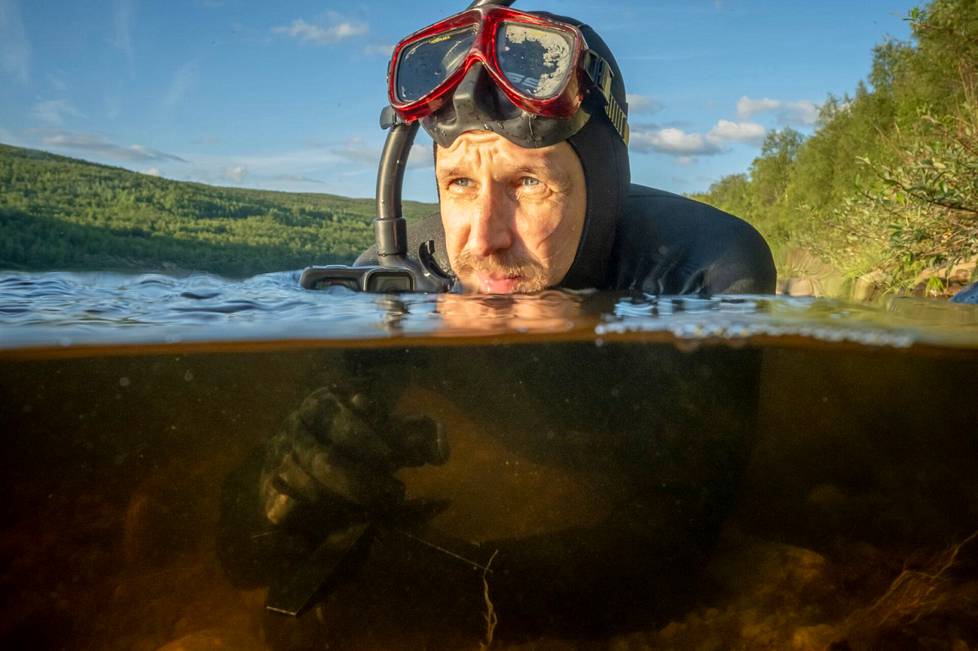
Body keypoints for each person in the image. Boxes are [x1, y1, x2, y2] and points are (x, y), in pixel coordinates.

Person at [218, 2, 771, 645]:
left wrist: (460, 592)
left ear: (606, 186)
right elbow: (248, 559)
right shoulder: (405, 273)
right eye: (457, 182)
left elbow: (681, 538)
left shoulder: (703, 272)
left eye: (528, 182)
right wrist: (279, 490)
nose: (483, 239)